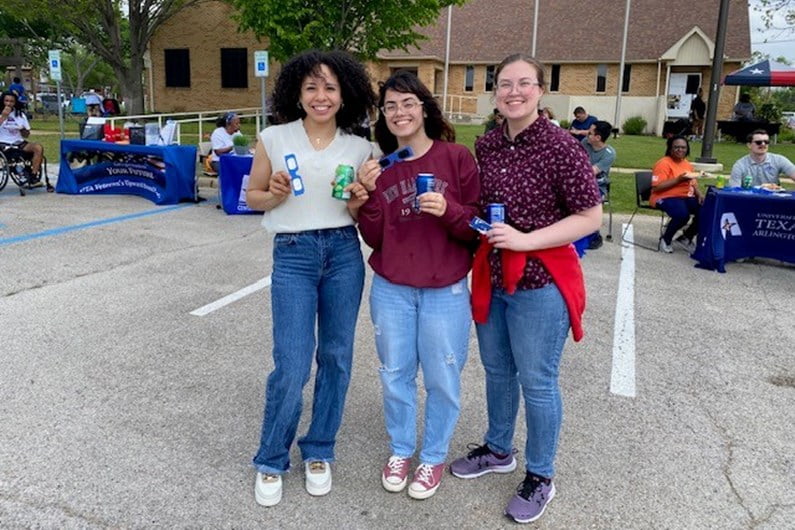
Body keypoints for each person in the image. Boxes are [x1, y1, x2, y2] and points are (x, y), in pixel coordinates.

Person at [449, 54, 602, 524]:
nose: (514, 92)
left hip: (540, 281)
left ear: (539, 91)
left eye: (524, 84)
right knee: (497, 371)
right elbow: (480, 208)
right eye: (505, 84)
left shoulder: (560, 146)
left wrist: (526, 240)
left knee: (537, 382)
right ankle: (498, 449)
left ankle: (541, 476)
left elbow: (590, 216)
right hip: (493, 277)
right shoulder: (489, 145)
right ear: (496, 92)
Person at [245, 50, 376, 508]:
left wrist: (360, 199)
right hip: (294, 254)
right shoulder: (274, 138)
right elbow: (253, 197)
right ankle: (271, 456)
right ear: (297, 94)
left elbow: (360, 214)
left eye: (331, 88)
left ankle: (319, 448)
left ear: (345, 95)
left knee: (337, 357)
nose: (321, 97)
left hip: (343, 251)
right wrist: (274, 194)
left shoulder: (361, 148)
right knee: (294, 361)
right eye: (311, 88)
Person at [354, 71, 480, 500]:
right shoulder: (383, 168)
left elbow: (476, 227)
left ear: (423, 107)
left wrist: (448, 210)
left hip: (445, 288)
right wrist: (366, 197)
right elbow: (374, 237)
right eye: (390, 106)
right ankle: (402, 450)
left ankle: (433, 457)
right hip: (392, 287)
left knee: (443, 376)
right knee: (395, 373)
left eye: (407, 103)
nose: (399, 112)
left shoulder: (456, 158)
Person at [649, 135, 703, 253]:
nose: (680, 150)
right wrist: (678, 180)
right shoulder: (663, 163)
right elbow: (657, 187)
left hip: (684, 197)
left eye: (683, 147)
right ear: (670, 149)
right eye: (676, 147)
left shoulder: (687, 164)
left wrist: (699, 194)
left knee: (707, 210)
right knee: (682, 215)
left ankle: (686, 237)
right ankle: (666, 239)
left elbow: (692, 182)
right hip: (663, 196)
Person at [580, 120, 616, 249]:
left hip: (597, 186)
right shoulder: (585, 143)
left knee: (590, 202)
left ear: (598, 138)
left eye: (590, 133)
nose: (586, 135)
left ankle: (594, 236)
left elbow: (591, 172)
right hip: (580, 183)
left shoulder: (609, 154)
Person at [0, 90, 46, 187]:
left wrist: (22, 130)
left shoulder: (20, 115)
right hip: (4, 144)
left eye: (11, 101)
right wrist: (3, 116)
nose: (8, 103)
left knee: (38, 147)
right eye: (6, 101)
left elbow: (26, 135)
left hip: (19, 143)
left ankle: (33, 175)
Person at [729, 129, 795, 188]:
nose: (763, 144)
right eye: (758, 142)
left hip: (773, 199)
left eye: (766, 142)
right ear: (749, 145)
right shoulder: (740, 165)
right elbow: (734, 189)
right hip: (748, 199)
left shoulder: (779, 160)